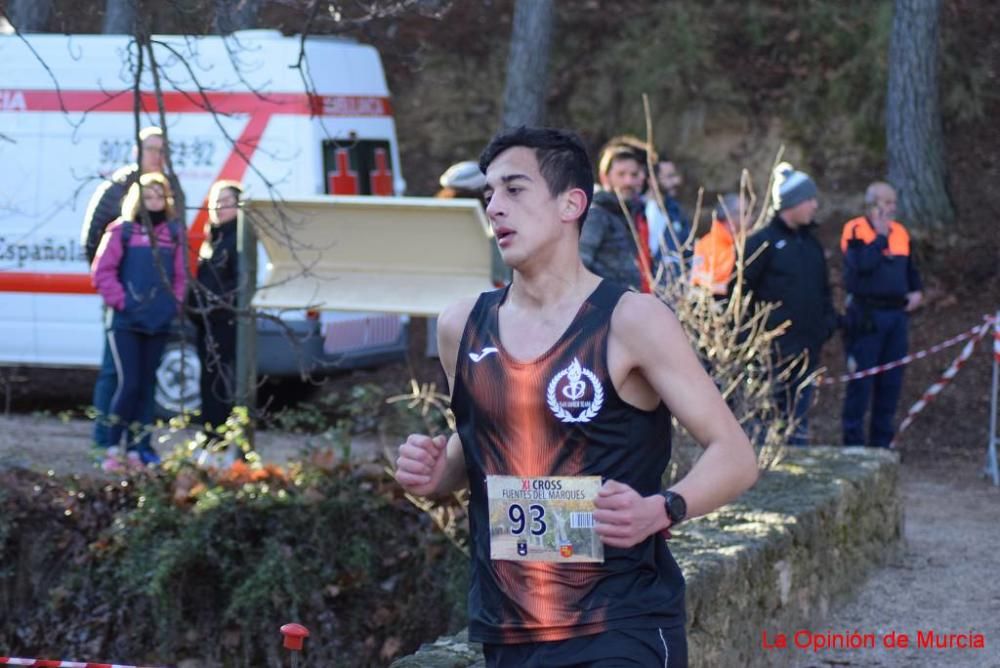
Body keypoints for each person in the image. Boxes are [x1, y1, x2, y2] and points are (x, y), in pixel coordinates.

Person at [394, 126, 758, 667]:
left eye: (514, 189)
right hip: (509, 627)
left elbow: (735, 455)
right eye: (489, 193)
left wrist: (662, 509)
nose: (495, 206)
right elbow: (477, 452)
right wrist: (433, 472)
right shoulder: (461, 326)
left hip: (620, 623)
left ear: (572, 203)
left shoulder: (631, 320)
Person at [81, 126, 183, 460]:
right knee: (117, 375)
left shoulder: (173, 188)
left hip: (156, 308)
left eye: (163, 150)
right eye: (153, 149)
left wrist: (170, 302)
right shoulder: (118, 186)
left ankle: (140, 445)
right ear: (138, 150)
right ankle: (104, 443)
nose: (158, 156)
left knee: (145, 380)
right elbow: (94, 240)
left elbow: (177, 245)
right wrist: (119, 294)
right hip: (122, 304)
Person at [740, 162, 836, 445]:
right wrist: (752, 337)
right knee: (764, 423)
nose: (814, 206)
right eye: (809, 199)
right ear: (790, 203)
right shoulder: (761, 243)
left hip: (807, 351)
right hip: (770, 355)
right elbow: (739, 294)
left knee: (798, 423)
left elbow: (823, 290)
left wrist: (827, 324)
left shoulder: (811, 244)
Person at [839, 182, 923, 447]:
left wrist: (917, 291)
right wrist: (880, 236)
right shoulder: (855, 229)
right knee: (861, 381)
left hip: (896, 317)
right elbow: (861, 265)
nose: (891, 208)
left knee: (891, 382)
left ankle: (881, 443)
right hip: (866, 316)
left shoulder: (901, 232)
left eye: (893, 202)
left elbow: (910, 268)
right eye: (886, 203)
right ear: (871, 204)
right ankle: (853, 442)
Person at [189, 180, 243, 436]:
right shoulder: (215, 239)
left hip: (225, 323)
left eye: (226, 202)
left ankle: (219, 437)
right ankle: (212, 434)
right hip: (207, 323)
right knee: (210, 379)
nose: (219, 208)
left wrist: (214, 306)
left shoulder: (238, 241)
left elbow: (237, 285)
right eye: (215, 203)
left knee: (220, 381)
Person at [579, 143, 651, 291]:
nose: (628, 181)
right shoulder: (596, 215)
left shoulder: (635, 214)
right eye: (621, 174)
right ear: (605, 177)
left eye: (634, 175)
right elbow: (578, 265)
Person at [691, 193, 745, 296]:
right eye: (744, 213)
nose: (748, 217)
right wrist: (727, 288)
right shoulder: (707, 244)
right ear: (730, 216)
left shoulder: (739, 243)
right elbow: (697, 279)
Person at [645, 157, 692, 276]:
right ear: (652, 180)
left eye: (675, 176)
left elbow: (688, 249)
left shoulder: (676, 212)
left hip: (675, 285)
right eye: (669, 177)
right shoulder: (640, 212)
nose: (676, 181)